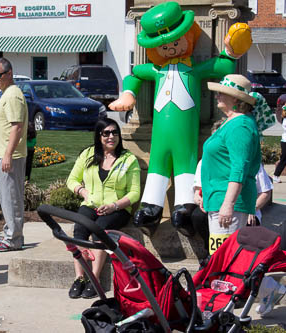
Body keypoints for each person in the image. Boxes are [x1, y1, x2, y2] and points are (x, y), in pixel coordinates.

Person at [109, 2, 252, 235]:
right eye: (164, 46)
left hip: (185, 132)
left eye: (176, 42)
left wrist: (231, 51)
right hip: (160, 134)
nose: (171, 49)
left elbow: (223, 65)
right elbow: (134, 74)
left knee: (185, 162)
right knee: (157, 162)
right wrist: (128, 93)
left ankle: (184, 206)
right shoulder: (156, 70)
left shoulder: (194, 69)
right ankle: (151, 207)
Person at [66, 118, 141, 299]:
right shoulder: (88, 155)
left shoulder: (128, 159)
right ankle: (80, 278)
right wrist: (83, 192)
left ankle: (94, 279)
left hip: (117, 208)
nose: (111, 137)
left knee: (99, 230)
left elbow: (134, 193)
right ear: (98, 136)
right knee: (80, 228)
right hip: (91, 203)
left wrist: (114, 205)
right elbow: (72, 180)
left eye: (114, 133)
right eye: (106, 133)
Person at [202, 74, 261, 255]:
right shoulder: (232, 122)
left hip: (229, 203)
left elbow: (239, 168)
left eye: (222, 92)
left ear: (235, 98)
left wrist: (228, 204)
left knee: (225, 260)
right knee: (222, 259)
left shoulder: (239, 125)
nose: (217, 95)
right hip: (220, 200)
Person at [0, 57, 28, 252]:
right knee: (9, 197)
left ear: (9, 73)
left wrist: (7, 155)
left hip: (9, 156)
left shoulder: (12, 95)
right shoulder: (8, 94)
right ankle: (12, 235)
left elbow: (17, 127)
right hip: (5, 154)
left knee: (11, 197)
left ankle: (13, 238)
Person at [272, 104, 286, 183]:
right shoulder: (285, 119)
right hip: (285, 141)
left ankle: (276, 175)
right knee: (284, 159)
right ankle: (276, 175)